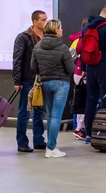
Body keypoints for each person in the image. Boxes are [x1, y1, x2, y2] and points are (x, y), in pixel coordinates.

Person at [30, 19, 75, 158]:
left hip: (45, 83)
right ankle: (51, 148)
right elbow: (71, 69)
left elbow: (33, 67)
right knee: (56, 116)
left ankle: (50, 146)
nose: (62, 30)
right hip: (61, 84)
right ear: (56, 30)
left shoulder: (37, 46)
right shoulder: (63, 48)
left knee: (51, 116)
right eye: (60, 28)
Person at [83, 3, 106, 144]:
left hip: (90, 66)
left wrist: (85, 69)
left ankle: (88, 133)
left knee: (90, 99)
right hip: (104, 67)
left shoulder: (87, 26)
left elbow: (84, 48)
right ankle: (104, 130)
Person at [12, 10, 47, 153]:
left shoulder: (46, 37)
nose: (45, 22)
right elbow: (18, 59)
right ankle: (22, 142)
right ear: (35, 22)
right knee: (24, 112)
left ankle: (38, 140)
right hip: (27, 80)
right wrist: (17, 80)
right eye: (43, 20)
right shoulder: (23, 37)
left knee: (40, 111)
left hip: (42, 80)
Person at [69, 18, 88, 140]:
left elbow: (70, 56)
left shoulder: (76, 40)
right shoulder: (86, 39)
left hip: (77, 72)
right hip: (83, 73)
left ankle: (79, 127)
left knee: (80, 100)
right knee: (83, 102)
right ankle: (80, 128)